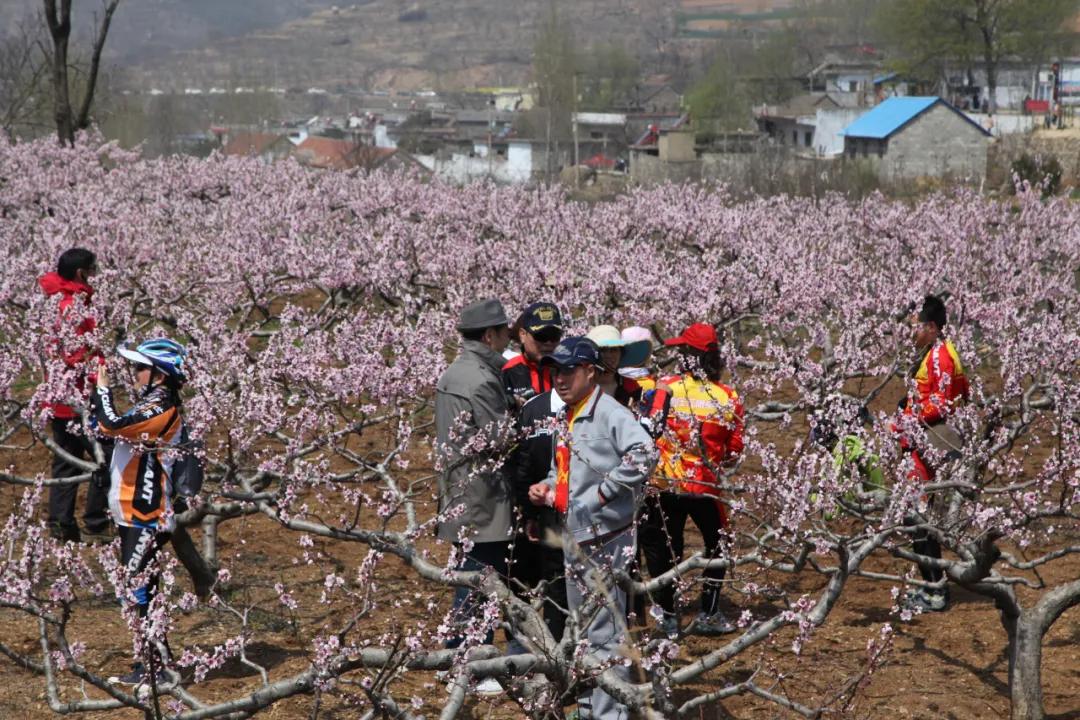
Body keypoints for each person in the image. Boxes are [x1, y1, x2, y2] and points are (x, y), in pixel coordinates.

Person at [528, 337, 655, 720]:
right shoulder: (570, 413)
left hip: (604, 538)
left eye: (568, 370)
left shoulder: (609, 413)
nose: (559, 378)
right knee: (583, 627)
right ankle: (590, 705)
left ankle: (608, 714)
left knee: (603, 633)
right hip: (577, 536)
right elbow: (563, 468)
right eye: (554, 371)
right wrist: (547, 486)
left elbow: (646, 453)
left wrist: (603, 493)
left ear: (590, 372)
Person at [94, 339, 189, 688]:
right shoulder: (149, 402)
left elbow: (110, 424)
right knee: (139, 587)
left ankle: (157, 667)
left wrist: (101, 392)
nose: (133, 373)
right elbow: (100, 427)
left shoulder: (161, 408)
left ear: (159, 375)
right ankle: (149, 662)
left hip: (145, 513)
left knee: (138, 588)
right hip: (130, 511)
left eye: (140, 367)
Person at [640, 322, 744, 639]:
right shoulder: (727, 397)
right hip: (705, 485)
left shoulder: (663, 386)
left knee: (667, 549)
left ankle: (669, 617)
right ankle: (709, 612)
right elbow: (734, 451)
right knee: (718, 545)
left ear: (689, 356)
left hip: (665, 481)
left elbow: (647, 428)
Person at [435, 299, 515, 692]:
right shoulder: (483, 379)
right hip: (483, 496)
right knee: (481, 579)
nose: (507, 339)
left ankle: (453, 657)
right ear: (489, 335)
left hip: (459, 490)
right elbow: (500, 437)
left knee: (468, 577)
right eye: (503, 332)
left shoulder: (455, 372)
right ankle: (472, 664)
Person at [896, 295, 969, 613]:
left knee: (917, 518)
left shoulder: (940, 356)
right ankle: (932, 586)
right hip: (926, 443)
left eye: (915, 327)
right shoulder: (938, 352)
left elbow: (939, 405)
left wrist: (906, 420)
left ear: (932, 327)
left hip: (929, 444)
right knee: (917, 517)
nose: (911, 333)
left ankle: (934, 591)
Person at [38, 248, 111, 544]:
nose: (96, 272)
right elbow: (77, 353)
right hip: (81, 395)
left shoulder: (56, 301)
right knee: (105, 455)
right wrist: (100, 376)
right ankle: (95, 523)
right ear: (81, 273)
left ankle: (61, 525)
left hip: (58, 396)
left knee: (66, 460)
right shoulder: (74, 307)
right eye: (92, 268)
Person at [502, 302, 563, 407]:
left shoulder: (568, 368)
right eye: (541, 336)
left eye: (554, 336)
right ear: (522, 335)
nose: (548, 343)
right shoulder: (508, 371)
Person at [584, 325, 650, 404]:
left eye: (614, 350)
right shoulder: (580, 385)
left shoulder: (630, 386)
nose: (609, 355)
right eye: (603, 350)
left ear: (621, 354)